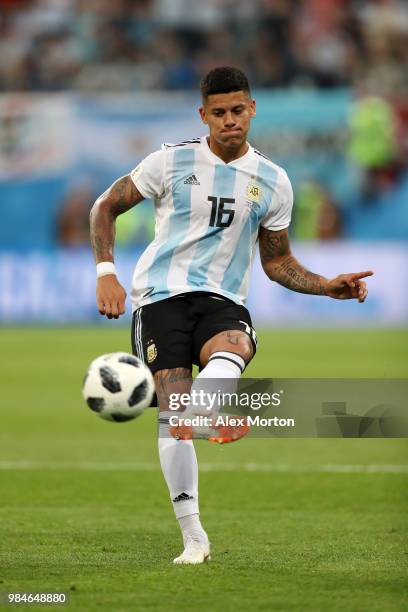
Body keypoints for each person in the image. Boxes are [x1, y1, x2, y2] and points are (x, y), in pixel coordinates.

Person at [89, 66, 373, 565]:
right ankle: (194, 537)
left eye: (237, 110)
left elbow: (277, 261)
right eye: (218, 113)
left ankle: (197, 413)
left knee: (235, 348)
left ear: (252, 109)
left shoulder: (273, 180)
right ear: (204, 115)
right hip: (159, 297)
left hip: (223, 299)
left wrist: (326, 286)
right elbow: (105, 206)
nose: (229, 121)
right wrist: (105, 272)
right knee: (171, 421)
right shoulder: (170, 161)